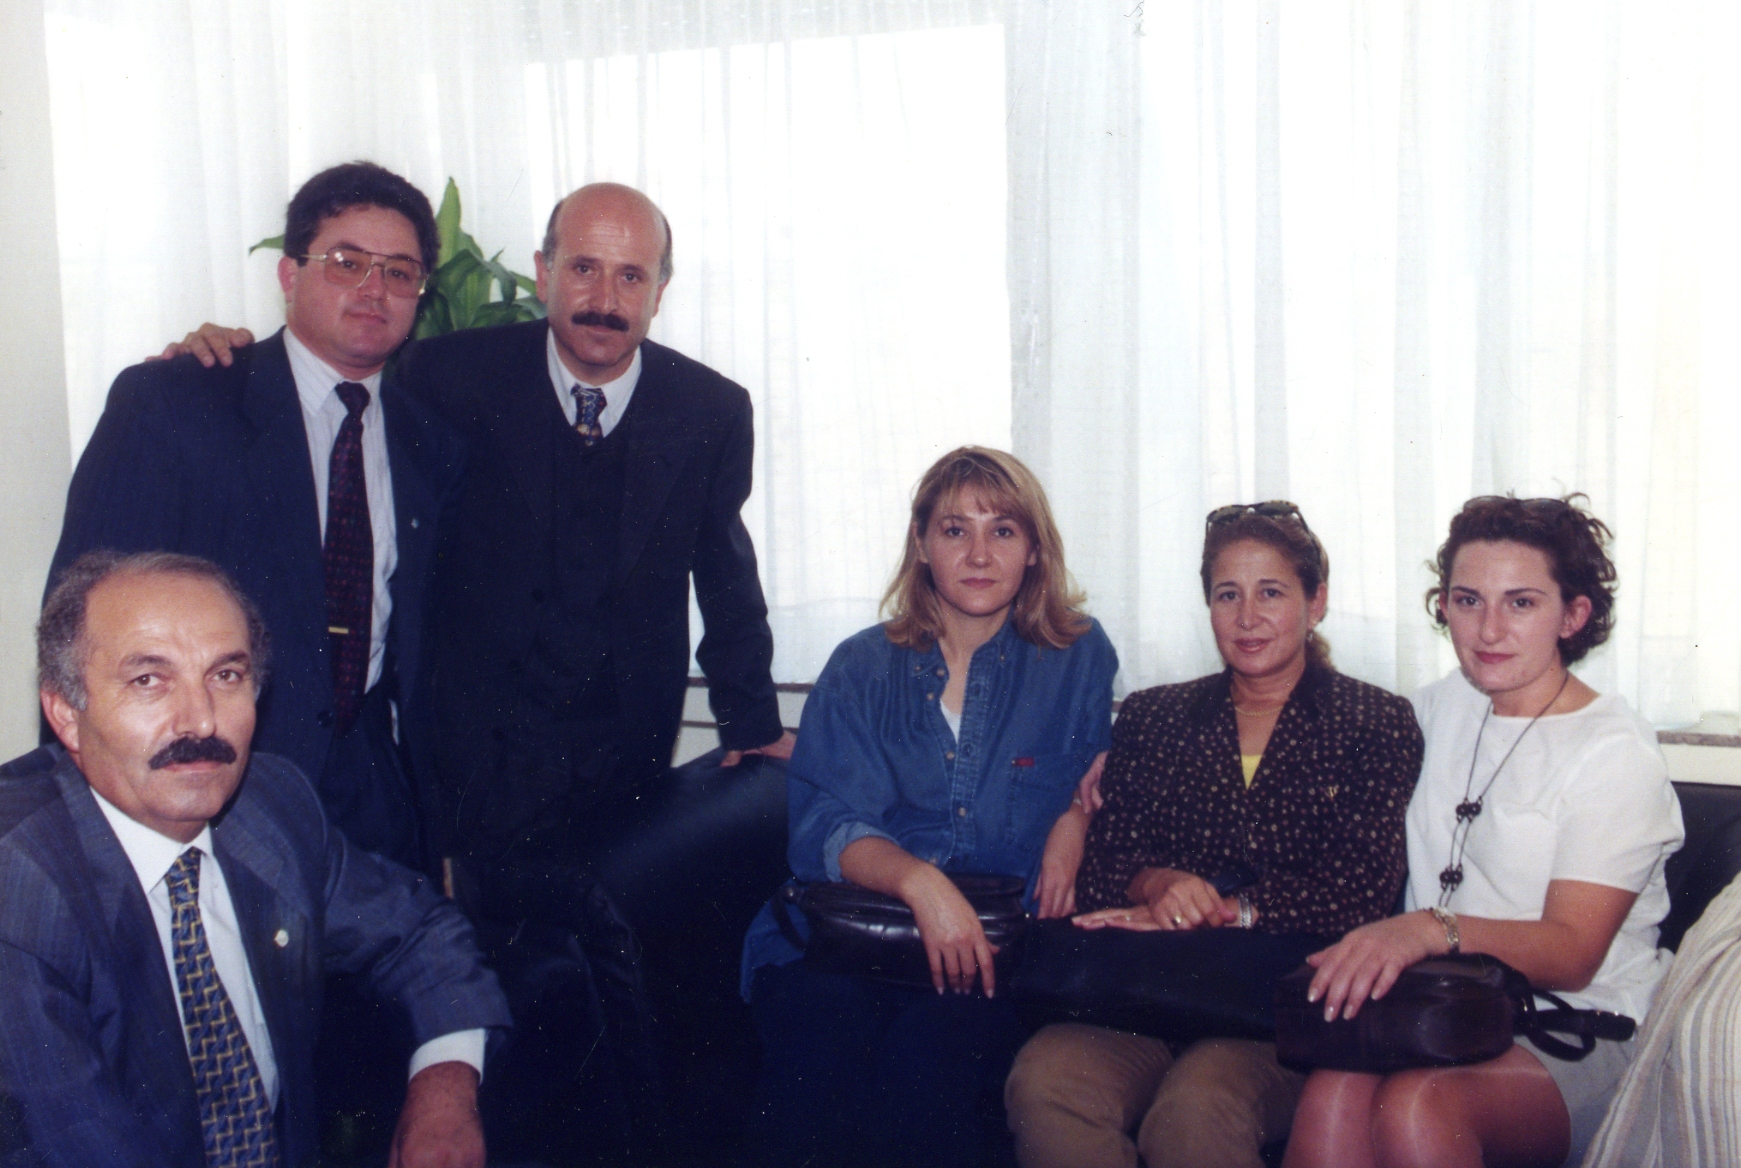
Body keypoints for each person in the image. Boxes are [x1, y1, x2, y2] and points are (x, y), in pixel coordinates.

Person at [0, 550, 510, 1167]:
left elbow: (420, 931)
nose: (200, 721)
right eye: (149, 680)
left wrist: (444, 1086)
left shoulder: (270, 805)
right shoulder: (19, 890)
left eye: (226, 675)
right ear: (66, 713)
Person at [52, 161, 462, 871]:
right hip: (208, 785)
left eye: (400, 272)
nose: (374, 289)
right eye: (347, 262)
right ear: (288, 274)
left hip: (372, 798)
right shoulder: (178, 402)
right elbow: (78, 622)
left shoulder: (430, 443)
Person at [1003, 501, 1424, 1168]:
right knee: (1046, 1084)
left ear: (1315, 602)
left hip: (1282, 1005)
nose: (1247, 617)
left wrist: (1222, 908)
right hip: (1145, 991)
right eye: (1228, 594)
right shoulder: (1154, 715)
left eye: (1271, 593)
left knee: (1196, 1111)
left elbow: (1360, 892)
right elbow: (1105, 865)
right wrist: (1157, 884)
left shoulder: (1375, 722)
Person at [739, 447, 1119, 1168]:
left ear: (1034, 549)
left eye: (1002, 530)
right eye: (953, 530)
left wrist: (1074, 819)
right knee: (815, 1060)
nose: (978, 554)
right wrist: (922, 883)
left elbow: (1090, 769)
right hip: (850, 935)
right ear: (920, 544)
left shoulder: (1076, 655)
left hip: (993, 950)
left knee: (925, 1075)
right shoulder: (860, 666)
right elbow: (825, 824)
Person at [1283, 495, 1685, 1168]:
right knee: (1332, 1092)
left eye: (1521, 603)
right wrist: (1113, 780)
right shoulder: (1437, 708)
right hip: (1443, 1013)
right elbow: (1297, 756)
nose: (1488, 629)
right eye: (1468, 601)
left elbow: (1572, 953)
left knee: (1418, 1106)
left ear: (1573, 615)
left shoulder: (1614, 752)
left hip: (1583, 1024)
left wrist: (1427, 929)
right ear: (1443, 606)